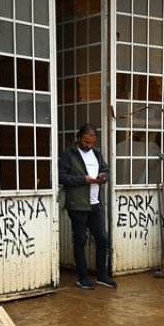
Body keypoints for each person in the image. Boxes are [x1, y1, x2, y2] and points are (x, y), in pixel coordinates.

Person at [59, 123, 117, 290]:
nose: (89, 145)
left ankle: (102, 275)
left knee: (103, 239)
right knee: (80, 240)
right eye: (86, 142)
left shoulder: (97, 154)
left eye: (92, 143)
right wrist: (83, 180)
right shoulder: (68, 154)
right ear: (78, 138)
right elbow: (61, 177)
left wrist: (102, 176)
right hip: (77, 204)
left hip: (94, 203)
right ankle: (83, 277)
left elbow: (105, 169)